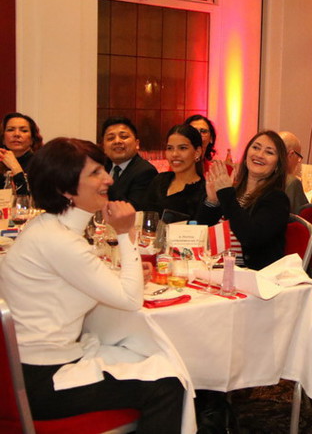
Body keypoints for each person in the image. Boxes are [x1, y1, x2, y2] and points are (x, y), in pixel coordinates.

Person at [0, 138, 184, 433]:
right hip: (41, 379)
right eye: (96, 173)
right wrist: (124, 233)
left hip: (21, 369)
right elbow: (130, 300)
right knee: (168, 385)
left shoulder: (46, 226)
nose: (108, 179)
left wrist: (128, 272)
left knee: (150, 362)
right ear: (65, 189)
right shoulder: (60, 240)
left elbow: (79, 277)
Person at [198, 130, 290, 270]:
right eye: (256, 147)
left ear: (278, 165)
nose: (259, 155)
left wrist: (225, 193)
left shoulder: (276, 199)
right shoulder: (234, 192)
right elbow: (200, 232)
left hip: (249, 275)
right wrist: (212, 201)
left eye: (269, 152)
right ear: (246, 155)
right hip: (214, 268)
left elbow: (250, 237)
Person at [141, 124, 206, 220]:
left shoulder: (203, 191)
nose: (174, 154)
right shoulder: (159, 180)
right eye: (170, 148)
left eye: (182, 148)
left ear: (197, 152)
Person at [101, 116, 158, 210]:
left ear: (137, 144)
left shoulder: (146, 171)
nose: (117, 141)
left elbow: (133, 208)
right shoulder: (100, 167)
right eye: (110, 138)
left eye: (124, 137)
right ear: (103, 146)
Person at [0, 112, 43, 196]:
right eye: (10, 130)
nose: (16, 134)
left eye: (24, 131)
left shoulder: (41, 164)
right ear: (3, 139)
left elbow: (32, 198)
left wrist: (16, 169)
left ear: (32, 139)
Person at [278, 130, 309, 214]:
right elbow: (303, 217)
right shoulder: (291, 182)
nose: (298, 161)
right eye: (298, 157)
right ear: (291, 154)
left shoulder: (259, 177)